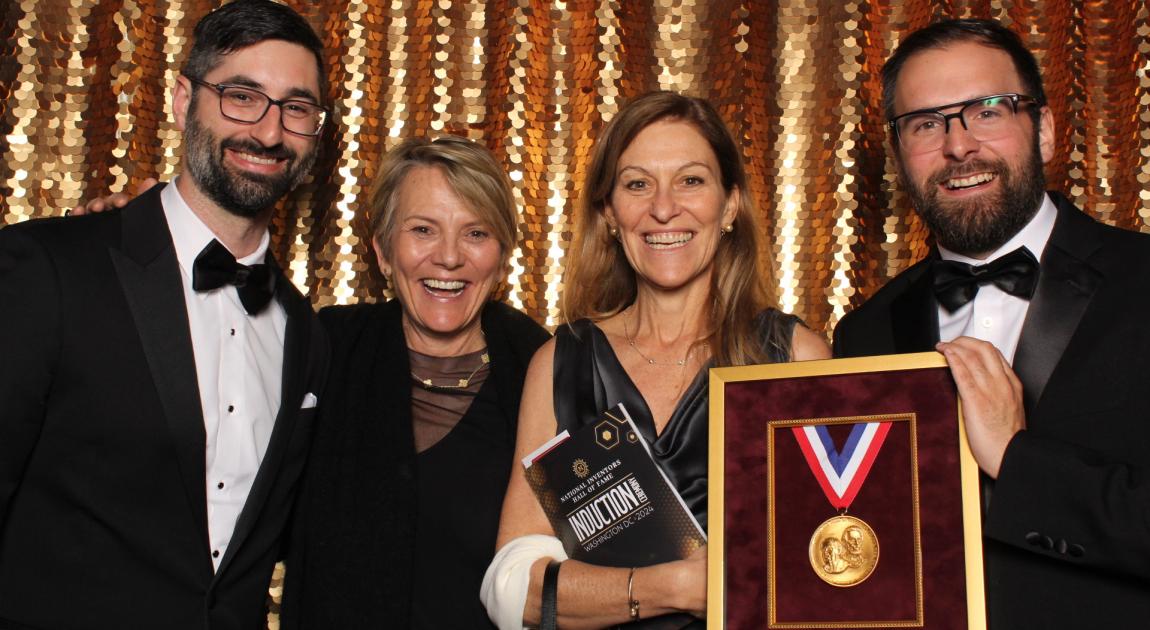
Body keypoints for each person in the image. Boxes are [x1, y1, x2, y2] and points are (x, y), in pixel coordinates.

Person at [0, 2, 330, 628]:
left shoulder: (305, 334)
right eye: (241, 96)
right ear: (183, 101)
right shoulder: (51, 269)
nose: (267, 131)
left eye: (296, 107)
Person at [833, 18, 1150, 628]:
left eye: (987, 111)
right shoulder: (865, 333)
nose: (958, 146)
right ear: (900, 153)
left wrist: (1015, 455)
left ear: (1046, 131)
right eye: (926, 124)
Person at [482, 91, 830, 629]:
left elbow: (832, 567)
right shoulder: (558, 363)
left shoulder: (794, 357)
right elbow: (512, 590)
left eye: (691, 180)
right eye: (637, 184)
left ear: (731, 203)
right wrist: (676, 588)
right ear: (609, 213)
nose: (663, 208)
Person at [279, 136, 550, 629]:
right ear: (383, 251)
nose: (448, 258)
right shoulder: (325, 349)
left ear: (502, 255)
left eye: (476, 233)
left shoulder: (544, 368)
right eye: (423, 229)